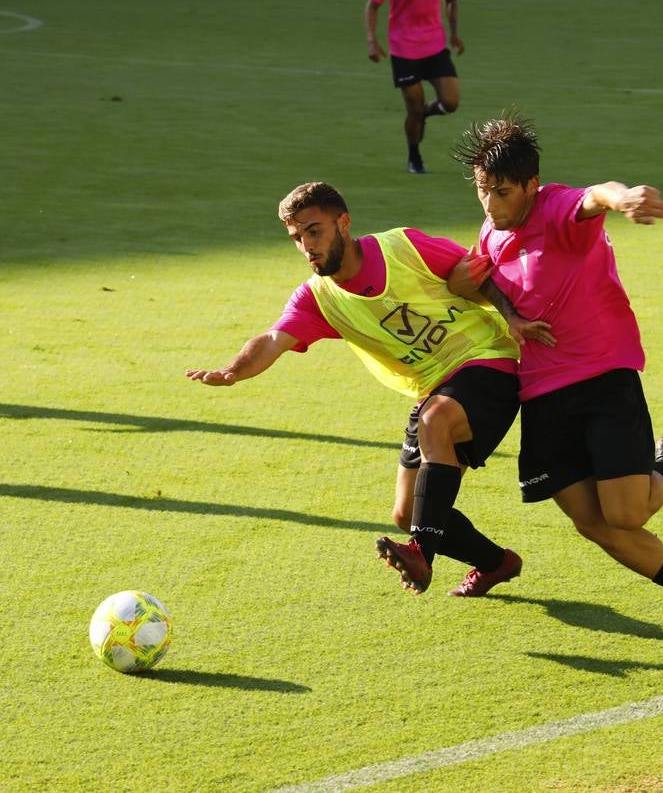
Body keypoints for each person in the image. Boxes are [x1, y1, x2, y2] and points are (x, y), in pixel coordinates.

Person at [449, 114, 663, 642]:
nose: (491, 204)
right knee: (592, 523)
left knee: (624, 514)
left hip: (602, 378)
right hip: (540, 394)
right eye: (482, 190)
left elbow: (595, 195)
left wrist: (623, 196)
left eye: (503, 192)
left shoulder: (558, 209)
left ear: (532, 186)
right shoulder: (493, 228)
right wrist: (507, 314)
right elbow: (483, 274)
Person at [186, 181, 547, 598]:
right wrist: (232, 371)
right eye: (297, 237)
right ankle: (495, 562)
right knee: (408, 511)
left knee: (434, 423)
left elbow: (481, 272)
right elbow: (272, 340)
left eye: (314, 231)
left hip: (488, 361)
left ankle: (420, 555)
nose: (306, 246)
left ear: (343, 222)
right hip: (435, 387)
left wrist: (515, 319)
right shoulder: (317, 298)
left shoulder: (403, 247)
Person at [365, 0, 464, 174]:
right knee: (413, 107)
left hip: (434, 45)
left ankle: (424, 114)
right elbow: (373, 5)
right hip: (404, 50)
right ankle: (414, 156)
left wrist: (454, 33)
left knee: (451, 102)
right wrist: (372, 41)